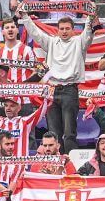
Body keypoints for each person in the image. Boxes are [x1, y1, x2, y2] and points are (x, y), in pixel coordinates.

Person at [18, 8, 95, 154]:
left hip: (70, 90)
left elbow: (88, 33)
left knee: (69, 133)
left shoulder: (80, 42)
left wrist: (90, 17)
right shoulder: (51, 42)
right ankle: (54, 166)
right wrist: (25, 16)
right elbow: (35, 33)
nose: (64, 31)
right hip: (52, 90)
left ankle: (71, 167)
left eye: (67, 28)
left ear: (73, 30)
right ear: (57, 30)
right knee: (53, 133)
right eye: (61, 29)